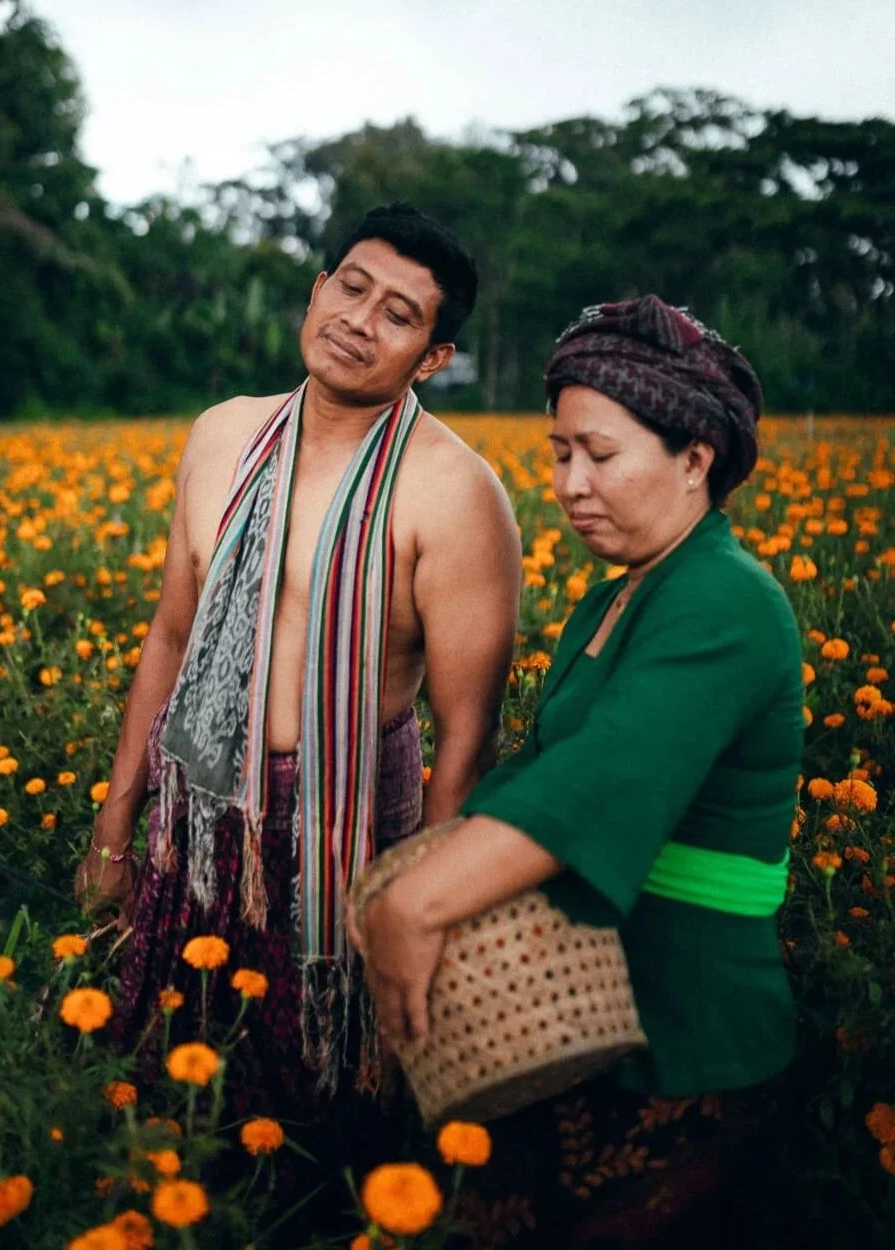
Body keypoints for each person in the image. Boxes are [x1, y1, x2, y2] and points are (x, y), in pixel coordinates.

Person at [356, 294, 804, 1247]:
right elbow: (533, 770)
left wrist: (420, 901)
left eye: (599, 454)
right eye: (560, 453)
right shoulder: (618, 597)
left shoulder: (725, 600)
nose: (569, 483)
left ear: (695, 460)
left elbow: (604, 775)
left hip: (686, 1039)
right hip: (575, 1015)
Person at [74, 203, 522, 1126]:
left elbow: (468, 734)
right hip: (194, 822)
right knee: (162, 1084)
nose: (360, 319)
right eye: (351, 287)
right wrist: (115, 823)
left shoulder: (456, 493)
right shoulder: (221, 435)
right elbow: (170, 633)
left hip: (346, 832)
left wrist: (420, 911)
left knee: (323, 1112)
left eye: (399, 314)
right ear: (318, 291)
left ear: (432, 357)